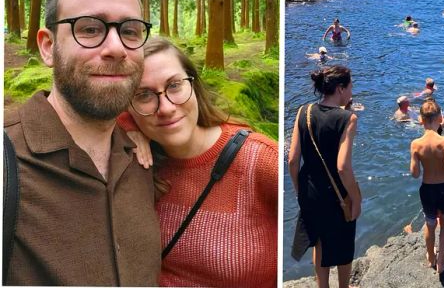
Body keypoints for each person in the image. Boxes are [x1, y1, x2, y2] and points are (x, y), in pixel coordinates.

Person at [2, 0, 161, 285]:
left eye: (130, 31)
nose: (116, 47)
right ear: (47, 47)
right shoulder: (8, 165)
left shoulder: (146, 159)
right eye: (90, 28)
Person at [118, 38, 278, 287]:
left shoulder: (260, 161)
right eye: (144, 95)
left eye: (174, 86)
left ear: (194, 84)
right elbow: (73, 106)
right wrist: (127, 124)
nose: (166, 108)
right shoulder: (138, 159)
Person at [289, 66, 361, 288]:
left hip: (310, 191)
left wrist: (299, 190)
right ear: (340, 88)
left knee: (319, 243)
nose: (351, 90)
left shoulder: (304, 112)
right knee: (343, 244)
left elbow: (292, 159)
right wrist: (356, 198)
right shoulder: (348, 118)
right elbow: (342, 167)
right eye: (349, 86)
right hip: (337, 194)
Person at [410, 100, 444, 275]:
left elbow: (415, 173)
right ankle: (440, 263)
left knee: (429, 224)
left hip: (428, 189)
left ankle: (430, 257)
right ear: (440, 118)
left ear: (421, 119)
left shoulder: (416, 144)